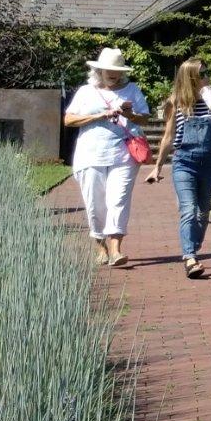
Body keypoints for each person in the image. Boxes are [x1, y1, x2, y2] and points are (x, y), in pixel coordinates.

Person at [64, 46, 151, 266]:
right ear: (99, 71)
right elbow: (69, 120)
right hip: (90, 154)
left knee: (118, 200)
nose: (114, 75)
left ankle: (116, 250)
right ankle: (100, 247)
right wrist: (101, 115)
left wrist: (130, 114)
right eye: (109, 71)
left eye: (117, 72)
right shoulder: (86, 91)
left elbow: (145, 119)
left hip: (123, 154)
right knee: (95, 204)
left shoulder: (132, 90)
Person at [146, 58, 211, 279]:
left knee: (203, 212)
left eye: (207, 72)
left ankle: (193, 247)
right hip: (184, 161)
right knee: (188, 209)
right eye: (202, 73)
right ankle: (190, 257)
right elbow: (168, 136)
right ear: (191, 77)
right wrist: (157, 167)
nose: (207, 76)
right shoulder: (178, 101)